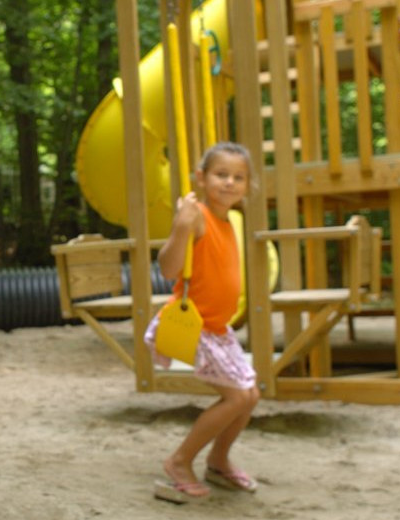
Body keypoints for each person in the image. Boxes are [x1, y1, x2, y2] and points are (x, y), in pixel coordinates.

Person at [146, 142, 260, 502]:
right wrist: (181, 227)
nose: (229, 183)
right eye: (221, 174)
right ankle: (179, 461)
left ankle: (219, 459)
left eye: (238, 177)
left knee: (250, 395)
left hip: (217, 329)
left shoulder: (230, 222)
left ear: (248, 184)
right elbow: (167, 269)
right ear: (202, 177)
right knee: (237, 395)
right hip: (193, 325)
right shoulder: (197, 216)